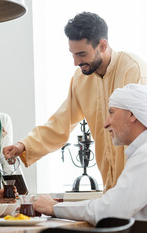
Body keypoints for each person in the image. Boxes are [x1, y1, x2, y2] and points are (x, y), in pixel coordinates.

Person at [3, 12, 147, 191]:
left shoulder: (133, 69)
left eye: (82, 54)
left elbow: (140, 134)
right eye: (72, 54)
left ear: (102, 45)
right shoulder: (81, 79)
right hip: (111, 191)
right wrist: (23, 145)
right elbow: (60, 124)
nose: (76, 62)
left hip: (139, 188)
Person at [33, 84, 147, 225]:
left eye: (111, 112)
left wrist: (54, 207)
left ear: (132, 115)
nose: (105, 124)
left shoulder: (144, 155)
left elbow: (110, 211)